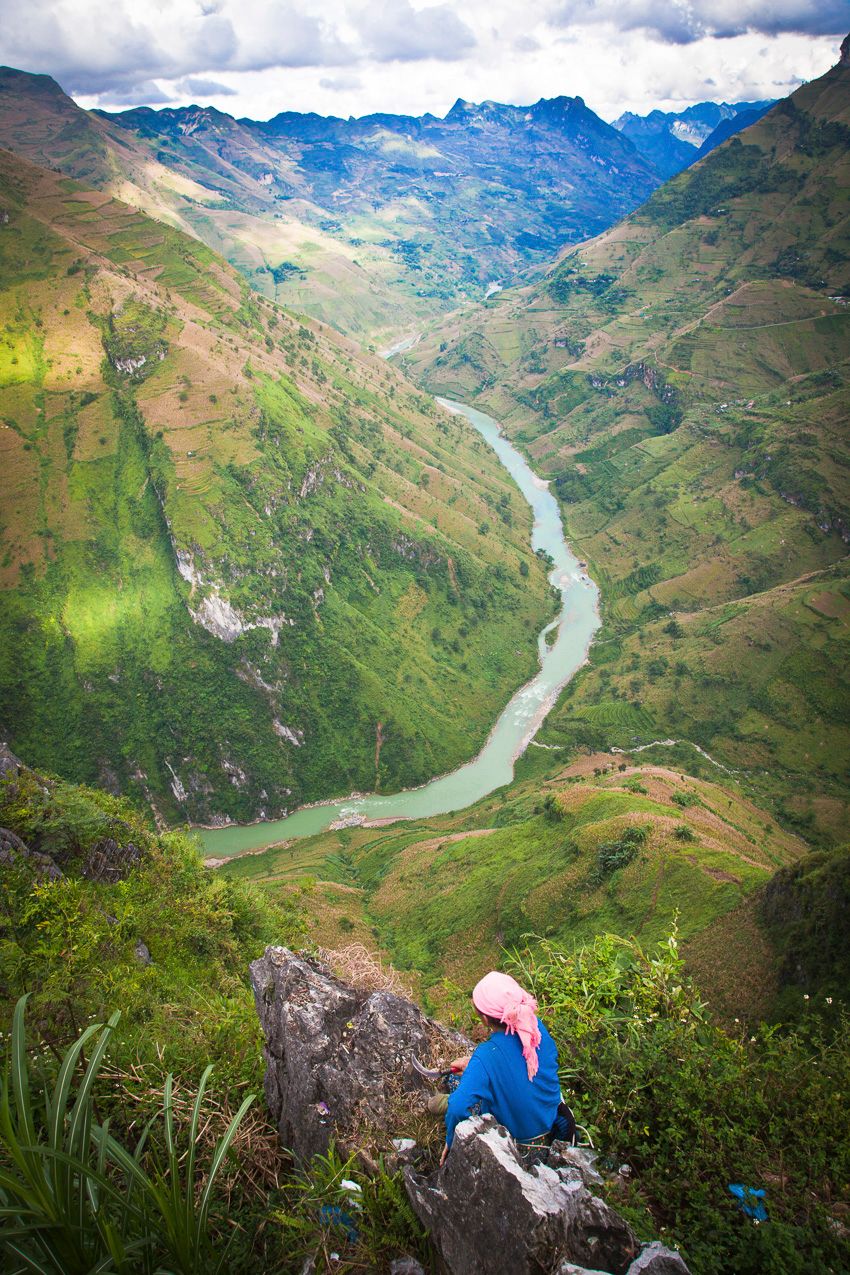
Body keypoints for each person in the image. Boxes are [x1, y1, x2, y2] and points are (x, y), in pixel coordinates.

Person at [432, 969, 565, 1165]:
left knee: (453, 1082)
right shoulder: (535, 1028)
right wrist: (475, 1065)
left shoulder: (487, 1055)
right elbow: (521, 1062)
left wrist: (452, 1141)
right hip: (553, 1128)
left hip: (517, 1145)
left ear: (485, 1019)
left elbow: (459, 1108)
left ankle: (439, 1102)